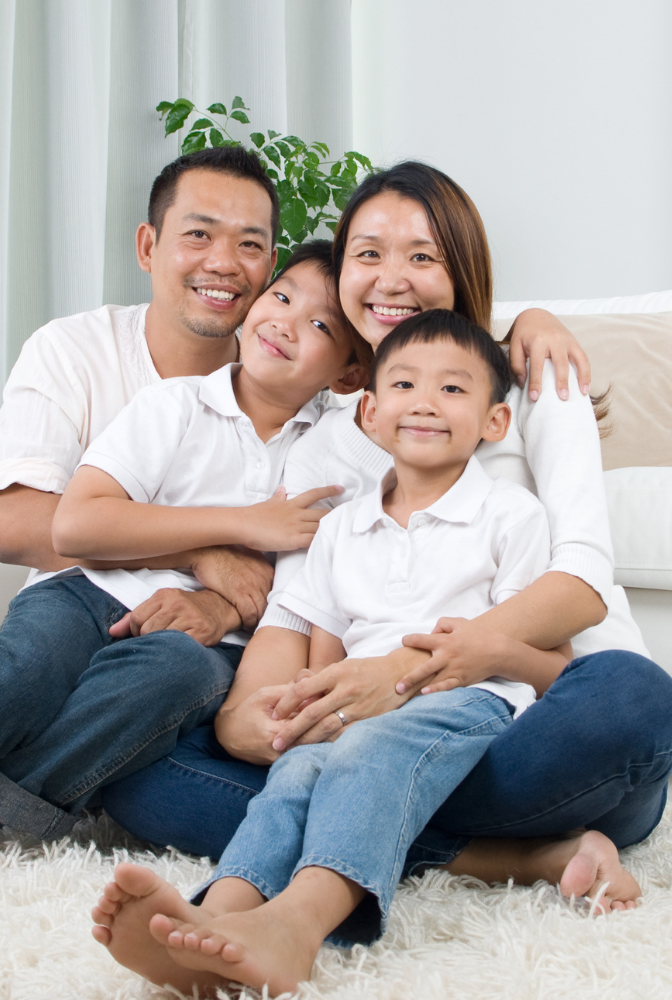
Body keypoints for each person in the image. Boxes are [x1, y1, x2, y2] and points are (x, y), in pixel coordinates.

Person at [0, 147, 594, 863]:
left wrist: (531, 321)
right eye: (199, 237)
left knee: (172, 689)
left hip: (186, 655)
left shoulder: (343, 430)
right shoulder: (146, 388)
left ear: (350, 368)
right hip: (81, 603)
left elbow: (432, 388)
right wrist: (231, 538)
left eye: (253, 250)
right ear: (150, 245)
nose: (259, 296)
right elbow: (48, 526)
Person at [93, 162, 672, 966]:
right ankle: (519, 857)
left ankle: (331, 881)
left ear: (462, 272)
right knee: (140, 768)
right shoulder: (329, 435)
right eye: (367, 254)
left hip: (531, 727)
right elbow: (299, 616)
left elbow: (579, 581)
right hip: (364, 738)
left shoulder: (534, 380)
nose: (391, 280)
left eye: (423, 257)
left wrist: (400, 678)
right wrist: (267, 718)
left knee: (636, 696)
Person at [104, 309, 572, 994]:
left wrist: (484, 659)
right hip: (355, 704)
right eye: (406, 385)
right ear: (373, 414)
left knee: (359, 756)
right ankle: (217, 920)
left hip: (467, 699)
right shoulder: (340, 528)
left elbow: (551, 659)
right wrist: (300, 719)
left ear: (494, 423)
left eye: (452, 390)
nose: (424, 403)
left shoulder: (511, 516)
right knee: (295, 775)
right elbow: (324, 658)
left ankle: (295, 929)